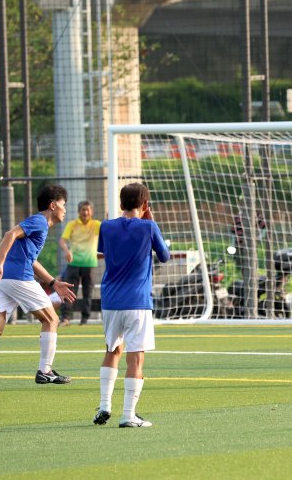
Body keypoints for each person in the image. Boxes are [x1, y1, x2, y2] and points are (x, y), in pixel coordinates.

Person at [0, 185, 77, 391]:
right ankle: (45, 371)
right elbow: (10, 234)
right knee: (52, 319)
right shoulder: (39, 220)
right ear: (53, 205)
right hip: (17, 278)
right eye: (63, 205)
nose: (65, 210)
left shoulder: (41, 227)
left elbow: (32, 261)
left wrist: (53, 283)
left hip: (2, 282)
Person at [93, 183, 170, 428]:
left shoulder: (106, 226)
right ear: (145, 205)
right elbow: (165, 256)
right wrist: (149, 221)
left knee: (112, 350)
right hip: (137, 301)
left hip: (110, 300)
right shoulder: (148, 226)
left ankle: (105, 404)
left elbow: (102, 253)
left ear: (120, 204)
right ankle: (128, 415)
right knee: (135, 358)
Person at [58, 200, 102, 326]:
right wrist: (67, 251)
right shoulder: (72, 224)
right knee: (70, 291)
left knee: (88, 292)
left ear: (92, 212)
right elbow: (62, 240)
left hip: (90, 263)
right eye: (83, 209)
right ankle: (65, 318)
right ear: (78, 211)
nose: (85, 212)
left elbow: (108, 232)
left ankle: (84, 319)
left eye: (88, 209)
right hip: (74, 263)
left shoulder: (96, 224)